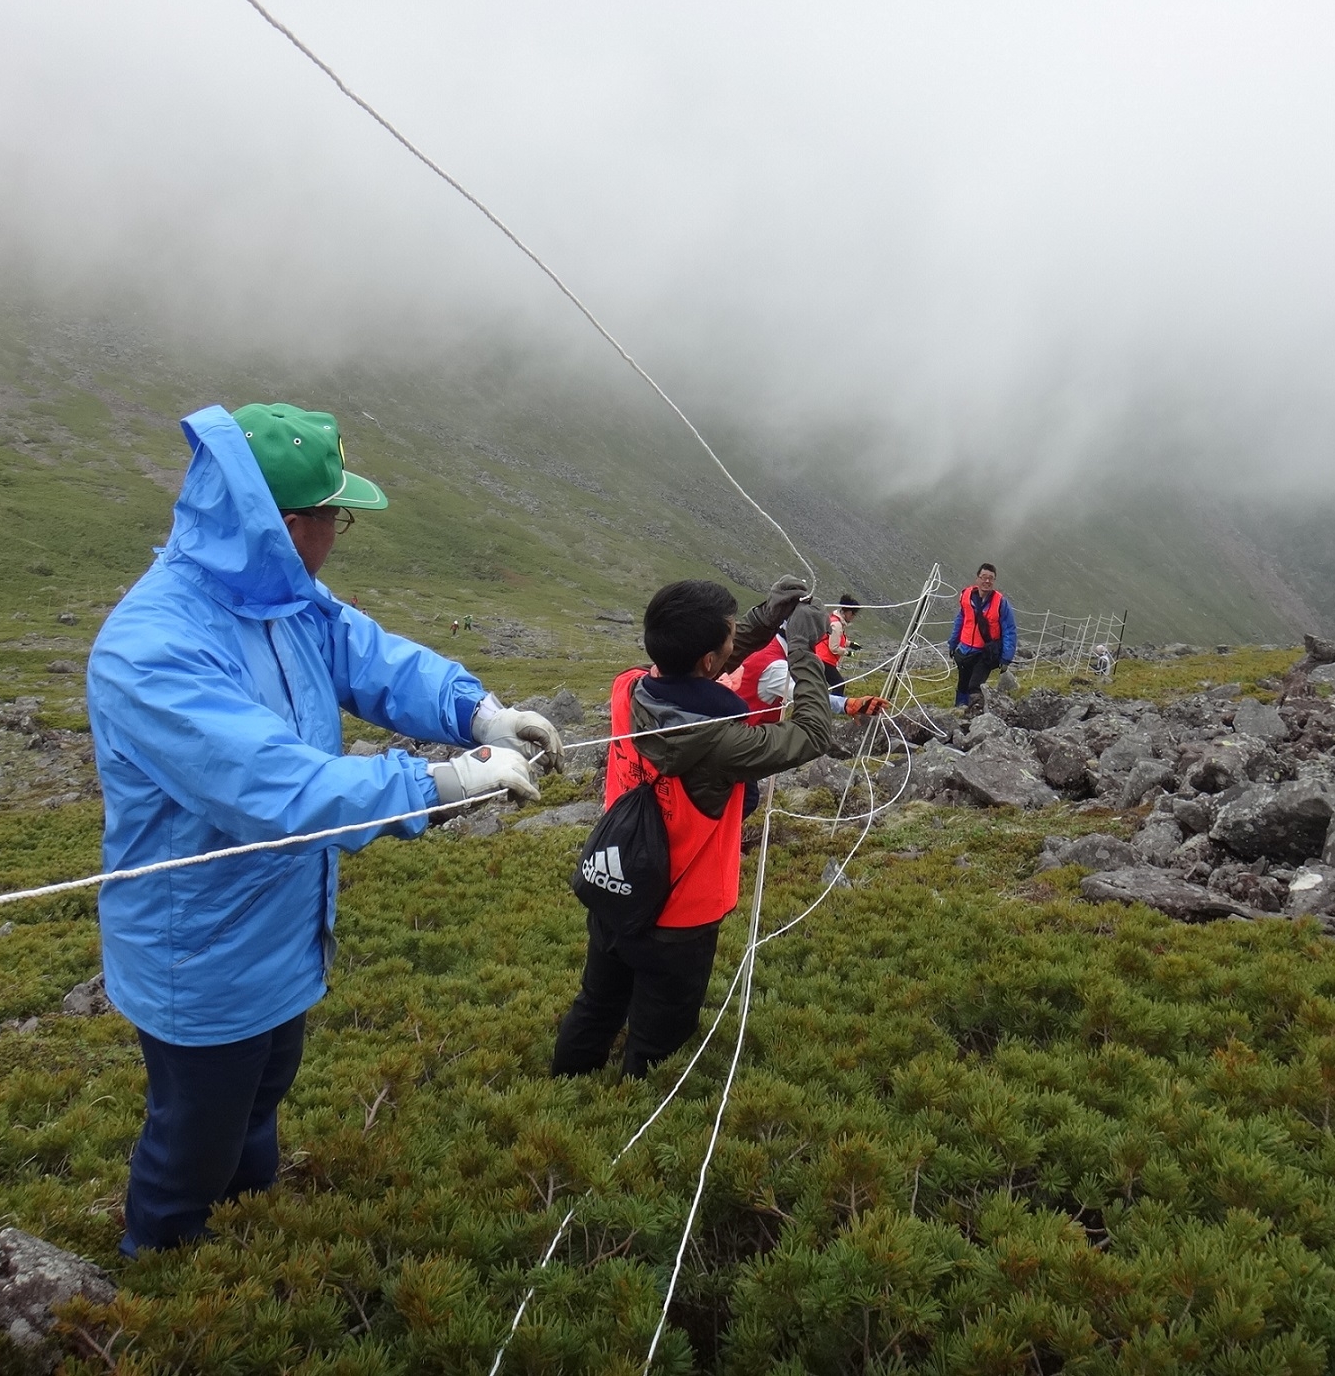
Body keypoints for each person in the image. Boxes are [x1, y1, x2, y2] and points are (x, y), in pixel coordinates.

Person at [87, 402, 563, 1256]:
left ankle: (246, 1253)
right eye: (336, 517)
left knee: (259, 1110)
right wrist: (444, 784)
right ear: (284, 526)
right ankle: (157, 1288)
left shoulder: (282, 595)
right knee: (189, 1153)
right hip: (197, 955)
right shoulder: (152, 648)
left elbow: (368, 655)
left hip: (281, 935)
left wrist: (476, 713)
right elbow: (274, 788)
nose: (342, 534)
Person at [551, 577, 832, 1079]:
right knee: (658, 1041)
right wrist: (807, 650)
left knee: (596, 1004)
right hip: (682, 919)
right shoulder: (724, 744)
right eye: (730, 638)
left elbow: (689, 665)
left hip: (616, 883)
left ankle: (563, 1100)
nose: (733, 647)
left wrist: (765, 617)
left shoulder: (630, 687)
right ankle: (635, 1113)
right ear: (710, 660)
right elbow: (811, 734)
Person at [723, 630, 890, 725]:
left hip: (738, 729)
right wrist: (848, 704)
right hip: (740, 734)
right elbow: (805, 695)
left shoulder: (769, 644)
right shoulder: (776, 666)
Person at [947, 562, 1017, 710]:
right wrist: (953, 643)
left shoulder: (1000, 603)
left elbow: (1009, 630)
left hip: (985, 652)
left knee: (974, 685)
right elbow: (960, 620)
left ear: (994, 581)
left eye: (991, 578)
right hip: (965, 650)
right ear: (977, 578)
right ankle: (960, 711)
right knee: (963, 683)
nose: (987, 581)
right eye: (984, 577)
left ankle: (974, 713)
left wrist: (1006, 658)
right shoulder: (966, 598)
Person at [813, 594, 861, 689]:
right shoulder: (837, 625)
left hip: (821, 658)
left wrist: (850, 644)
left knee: (821, 686)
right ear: (847, 612)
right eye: (852, 614)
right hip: (824, 660)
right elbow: (834, 648)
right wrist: (848, 653)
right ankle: (835, 704)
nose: (853, 617)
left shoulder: (836, 621)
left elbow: (837, 638)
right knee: (839, 685)